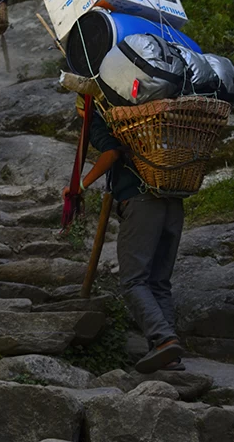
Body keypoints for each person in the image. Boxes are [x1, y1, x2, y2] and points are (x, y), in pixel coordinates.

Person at [66, 102, 185, 374]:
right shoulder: (144, 110)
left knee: (133, 280)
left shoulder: (101, 117)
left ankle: (164, 340)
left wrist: (80, 186)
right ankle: (169, 355)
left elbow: (111, 153)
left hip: (141, 200)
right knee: (159, 281)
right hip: (173, 199)